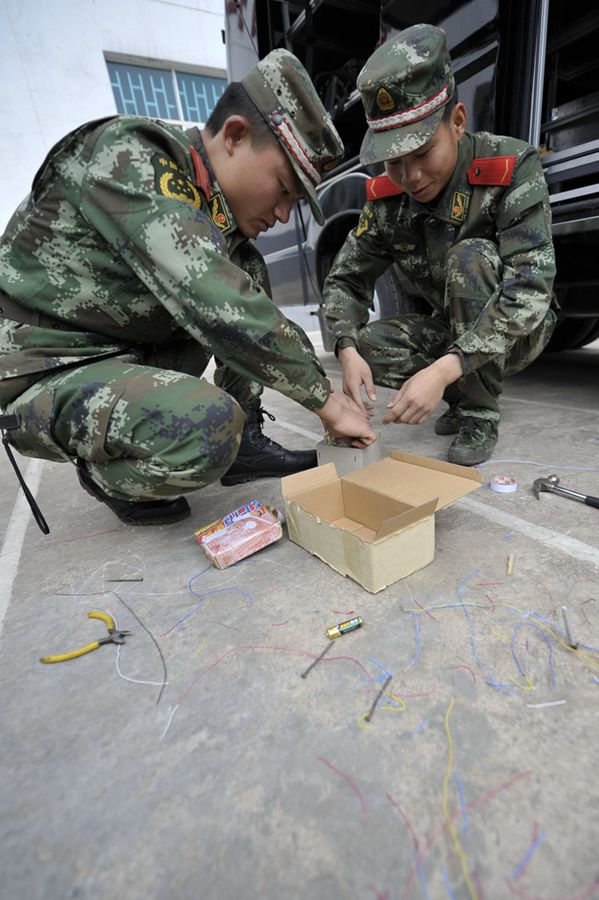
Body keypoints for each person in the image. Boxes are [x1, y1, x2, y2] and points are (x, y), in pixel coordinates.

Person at [0, 49, 375, 527]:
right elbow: (217, 300)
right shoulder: (130, 156)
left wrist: (328, 376)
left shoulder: (209, 212)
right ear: (235, 135)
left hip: (114, 348)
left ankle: (245, 447)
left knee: (246, 266)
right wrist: (324, 400)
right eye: (285, 189)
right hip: (45, 368)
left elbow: (245, 300)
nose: (283, 214)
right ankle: (109, 475)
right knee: (207, 426)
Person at [323, 24, 558, 466]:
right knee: (371, 344)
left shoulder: (511, 168)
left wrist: (442, 370)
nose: (409, 176)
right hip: (452, 326)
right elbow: (346, 281)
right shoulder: (388, 201)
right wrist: (346, 348)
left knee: (470, 257)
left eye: (422, 152)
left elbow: (530, 290)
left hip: (522, 330)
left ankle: (478, 410)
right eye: (394, 161)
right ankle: (461, 392)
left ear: (457, 121)